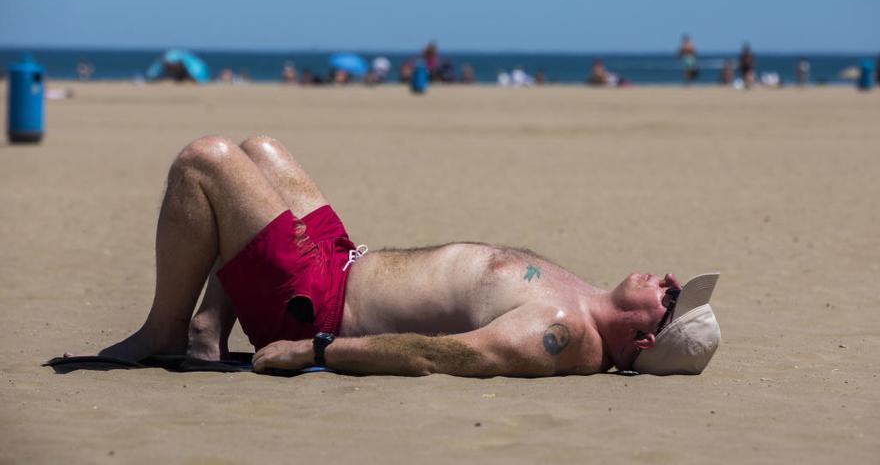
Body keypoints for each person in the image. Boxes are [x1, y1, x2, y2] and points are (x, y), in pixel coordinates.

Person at [65, 136, 721, 377]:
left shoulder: (558, 334)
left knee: (202, 161)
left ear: (641, 338)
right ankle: (209, 328)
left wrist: (312, 351)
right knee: (259, 149)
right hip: (344, 261)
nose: (667, 278)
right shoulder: (583, 295)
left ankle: (164, 331)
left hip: (318, 305)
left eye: (672, 297)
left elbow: (448, 355)